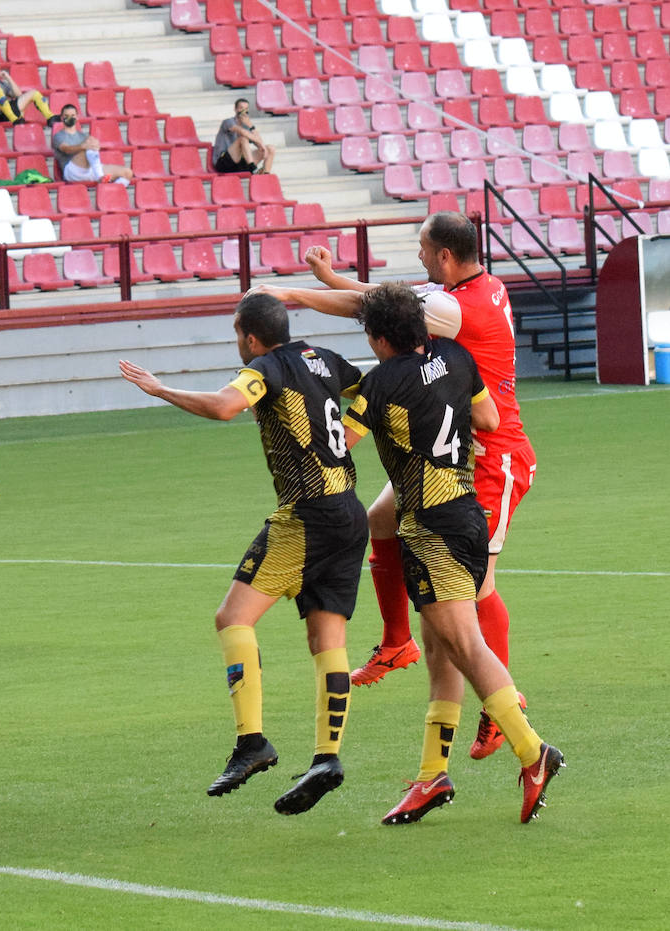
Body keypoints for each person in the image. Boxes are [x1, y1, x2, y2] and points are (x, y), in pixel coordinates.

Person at [255, 211, 537, 761]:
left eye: (424, 249)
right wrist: (330, 280)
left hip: (489, 457)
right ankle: (396, 642)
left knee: (478, 592)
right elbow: (391, 302)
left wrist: (293, 294)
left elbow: (376, 308)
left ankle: (503, 709)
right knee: (380, 519)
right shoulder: (476, 285)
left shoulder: (455, 306)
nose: (419, 257)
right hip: (457, 445)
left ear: (447, 257)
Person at [119, 292, 367, 816]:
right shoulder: (322, 357)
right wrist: (356, 428)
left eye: (237, 335)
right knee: (327, 636)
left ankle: (252, 741)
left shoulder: (265, 367)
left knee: (233, 618)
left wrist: (160, 389)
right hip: (350, 511)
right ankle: (327, 756)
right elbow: (377, 388)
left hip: (306, 514)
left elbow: (225, 406)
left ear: (250, 337)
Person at [339, 283, 562, 825]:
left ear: (378, 337)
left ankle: (535, 755)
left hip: (429, 528)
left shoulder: (381, 382)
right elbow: (487, 421)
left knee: (463, 644)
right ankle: (430, 777)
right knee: (440, 655)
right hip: (465, 511)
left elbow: (342, 442)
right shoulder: (457, 356)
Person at [50, 104, 133, 187]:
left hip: (90, 169)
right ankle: (100, 177)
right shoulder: (58, 136)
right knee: (88, 146)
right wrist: (84, 146)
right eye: (66, 116)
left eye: (72, 115)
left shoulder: (83, 136)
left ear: (77, 117)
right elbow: (67, 149)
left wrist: (95, 144)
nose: (70, 118)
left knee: (127, 173)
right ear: (61, 118)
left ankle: (108, 192)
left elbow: (91, 147)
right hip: (71, 172)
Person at [0, 54, 54, 125]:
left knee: (34, 93)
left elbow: (18, 95)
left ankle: (50, 117)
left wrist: (8, 78)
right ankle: (14, 119)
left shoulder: (3, 83)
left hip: (4, 113)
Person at [213, 98, 274, 175]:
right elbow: (242, 132)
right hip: (224, 163)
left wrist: (251, 126)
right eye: (241, 108)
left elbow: (258, 141)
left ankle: (265, 175)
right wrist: (261, 144)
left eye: (246, 109)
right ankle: (254, 170)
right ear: (235, 109)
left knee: (271, 148)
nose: (243, 111)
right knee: (243, 139)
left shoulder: (247, 126)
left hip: (241, 163)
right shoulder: (228, 122)